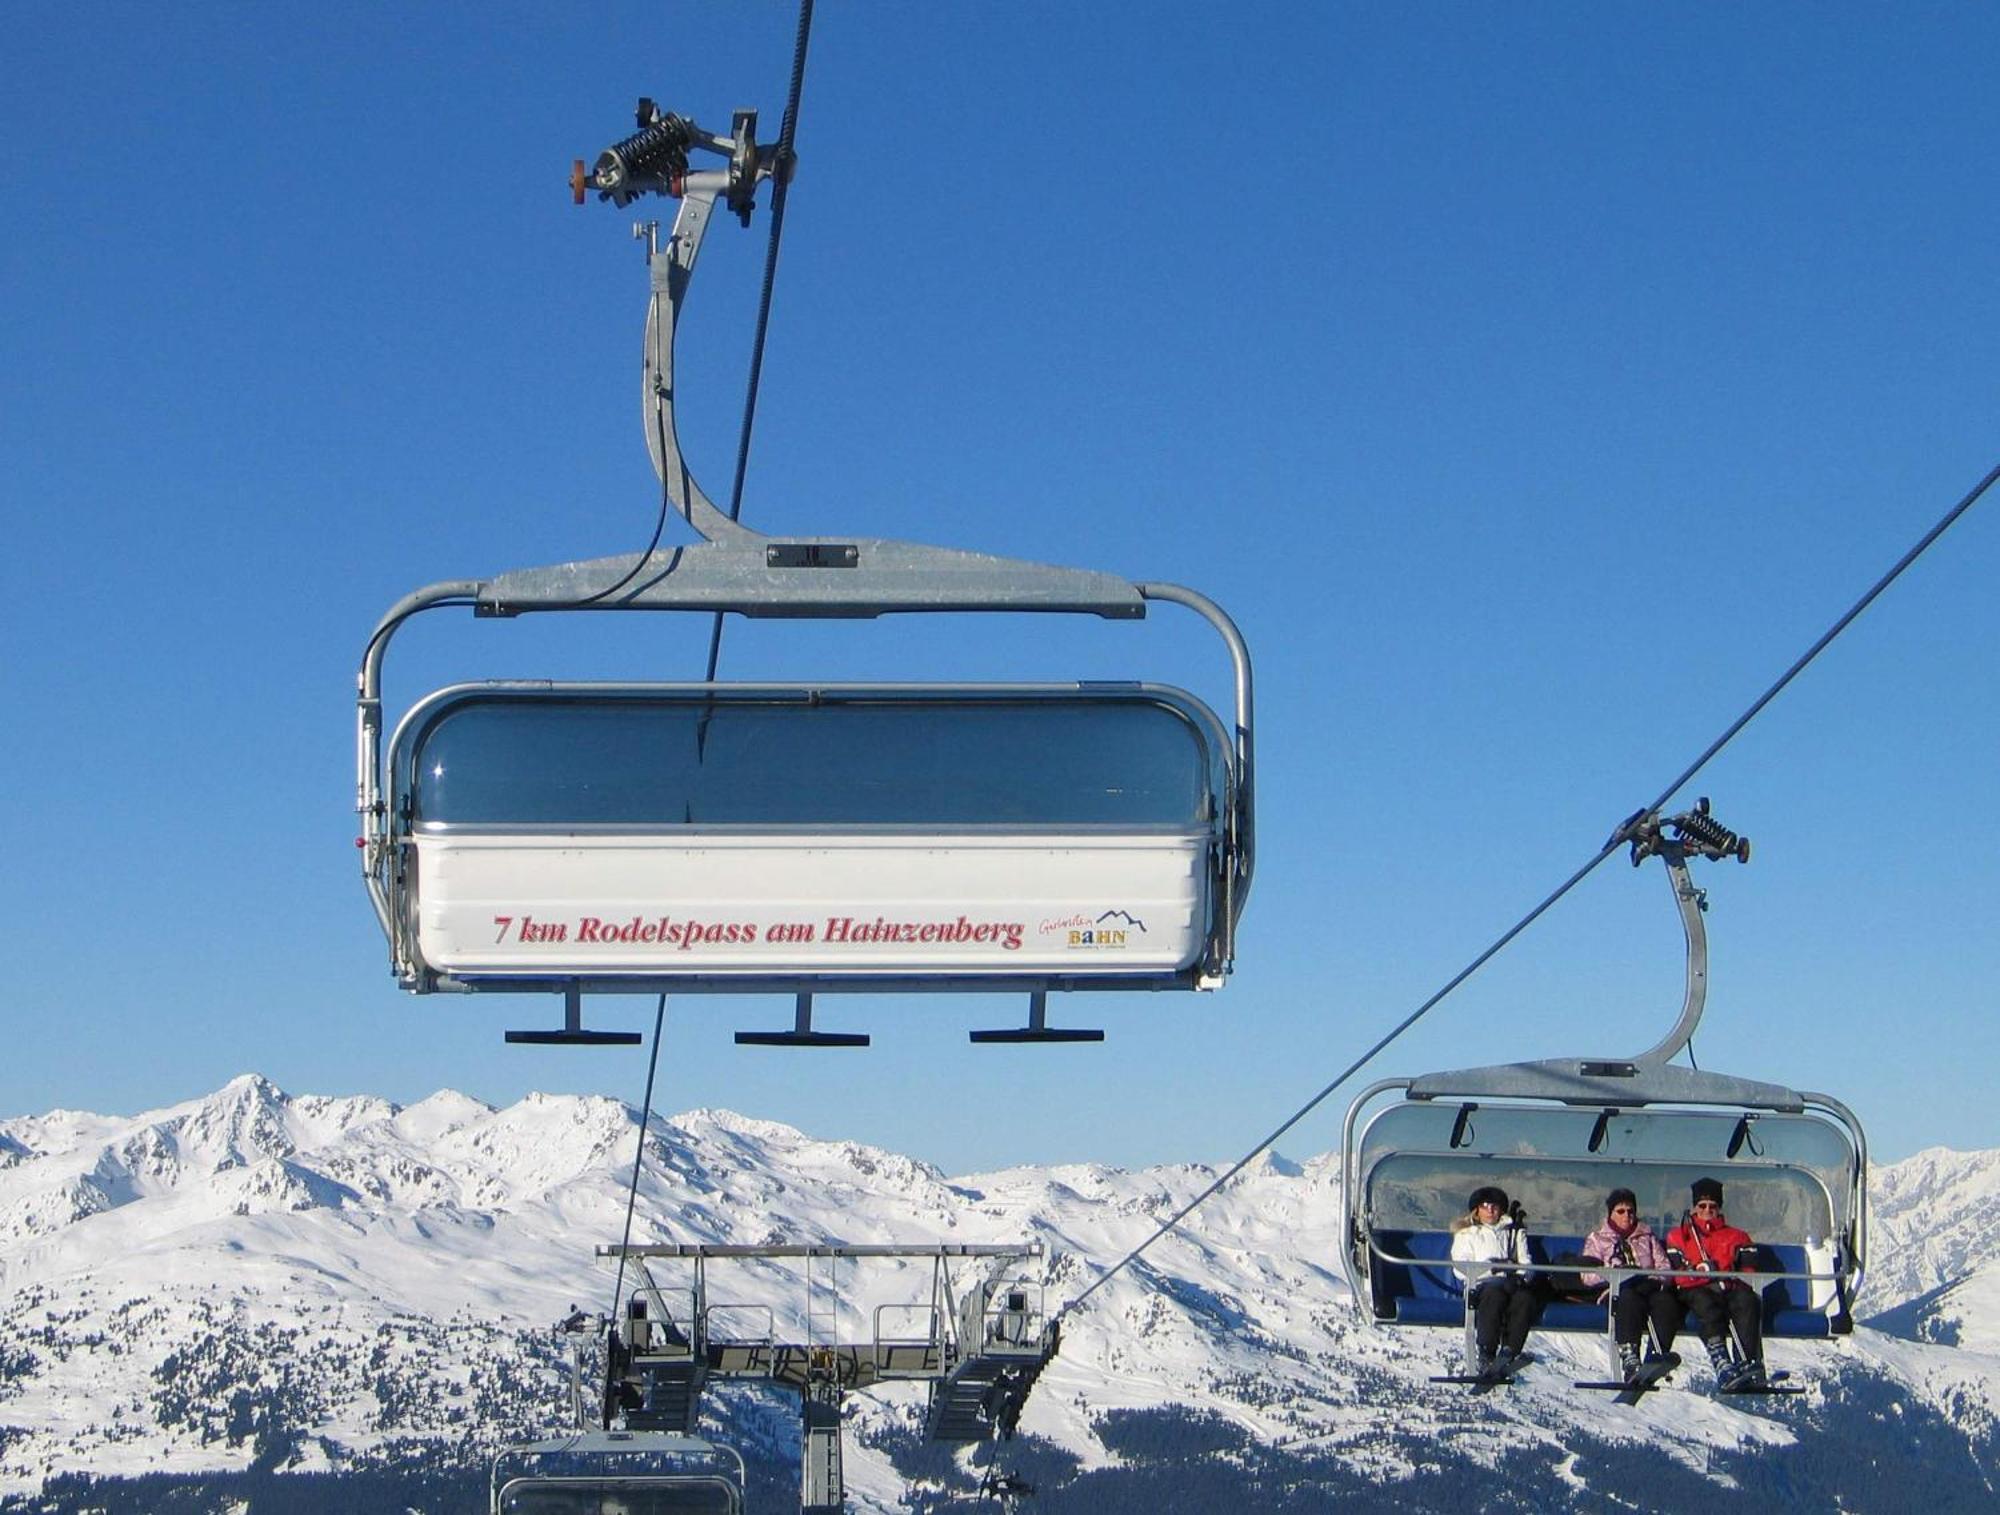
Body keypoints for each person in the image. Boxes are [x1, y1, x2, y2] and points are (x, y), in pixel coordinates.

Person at [1666, 1176, 1765, 1389]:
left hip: (1728, 1288)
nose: (1707, 1210)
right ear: (1694, 1208)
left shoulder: (1737, 1236)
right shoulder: (1680, 1236)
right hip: (1694, 1290)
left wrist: (1731, 1281)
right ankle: (1721, 1360)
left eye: (1712, 1206)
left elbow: (1748, 1269)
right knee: (1706, 1304)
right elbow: (1677, 1273)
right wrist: (1702, 1274)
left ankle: (1746, 1361)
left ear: (1719, 1208)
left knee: (1747, 1301)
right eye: (1702, 1206)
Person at [1580, 1187, 1681, 1381]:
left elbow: (1665, 1267)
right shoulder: (1598, 1239)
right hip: (1617, 1289)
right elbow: (1587, 1275)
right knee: (1628, 1298)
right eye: (1621, 1211)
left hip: (1647, 1287)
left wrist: (1654, 1279)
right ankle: (1629, 1355)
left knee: (1665, 1301)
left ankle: (1657, 1354)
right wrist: (1613, 1272)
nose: (1627, 1216)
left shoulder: (1647, 1237)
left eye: (1630, 1211)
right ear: (1611, 1213)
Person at [1450, 1184, 1539, 1374]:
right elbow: (1460, 1268)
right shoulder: (1467, 1235)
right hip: (1482, 1286)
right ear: (1477, 1210)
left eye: (1495, 1206)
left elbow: (1527, 1263)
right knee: (1494, 1295)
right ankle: (1487, 1352)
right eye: (1485, 1206)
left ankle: (1510, 1350)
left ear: (1501, 1210)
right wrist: (1490, 1269)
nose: (1490, 1210)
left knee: (1525, 1298)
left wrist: (1520, 1276)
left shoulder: (1514, 1233)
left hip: (1511, 1283)